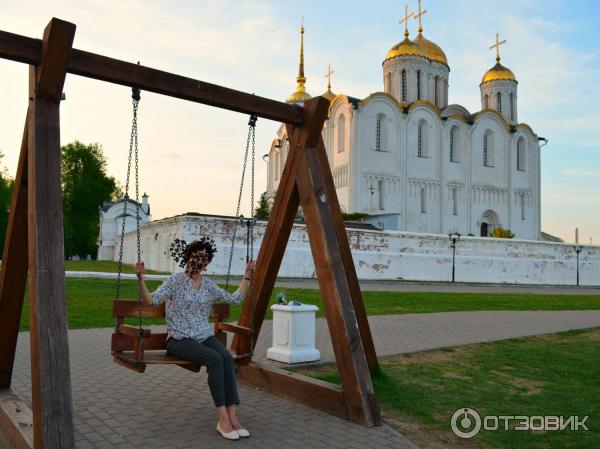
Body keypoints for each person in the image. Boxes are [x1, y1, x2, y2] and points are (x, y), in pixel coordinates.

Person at [133, 238, 255, 441]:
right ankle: (223, 419)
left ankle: (233, 416)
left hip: (203, 336)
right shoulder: (174, 281)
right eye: (196, 257)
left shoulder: (208, 285)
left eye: (204, 258)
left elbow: (234, 298)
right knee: (214, 359)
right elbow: (152, 300)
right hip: (180, 340)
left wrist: (247, 277)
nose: (200, 262)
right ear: (188, 258)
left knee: (225, 356)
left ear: (207, 262)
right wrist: (140, 278)